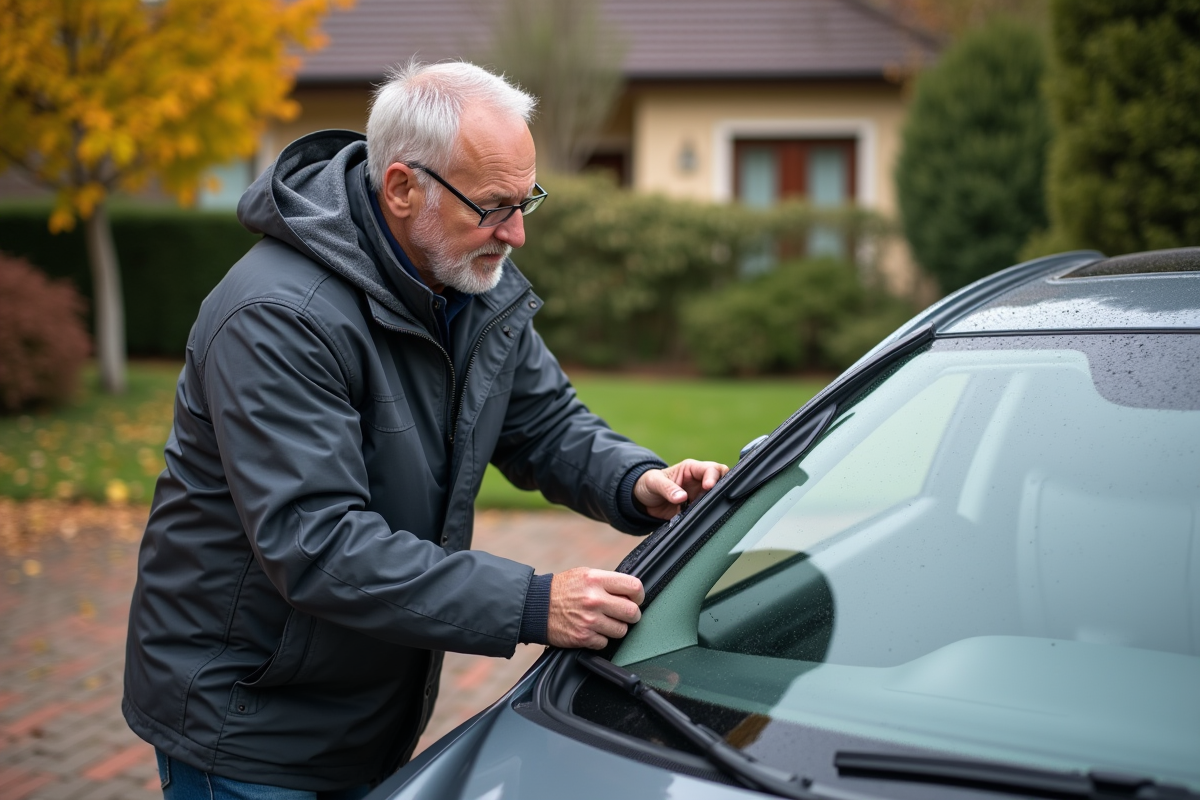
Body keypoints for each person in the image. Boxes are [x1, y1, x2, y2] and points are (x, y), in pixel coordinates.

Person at [122, 61, 728, 799]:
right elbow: (317, 541)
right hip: (249, 723)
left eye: (526, 199)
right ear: (403, 188)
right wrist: (534, 603)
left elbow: (543, 422)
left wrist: (637, 480)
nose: (518, 233)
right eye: (496, 205)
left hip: (367, 708)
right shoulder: (280, 317)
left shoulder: (463, 276)